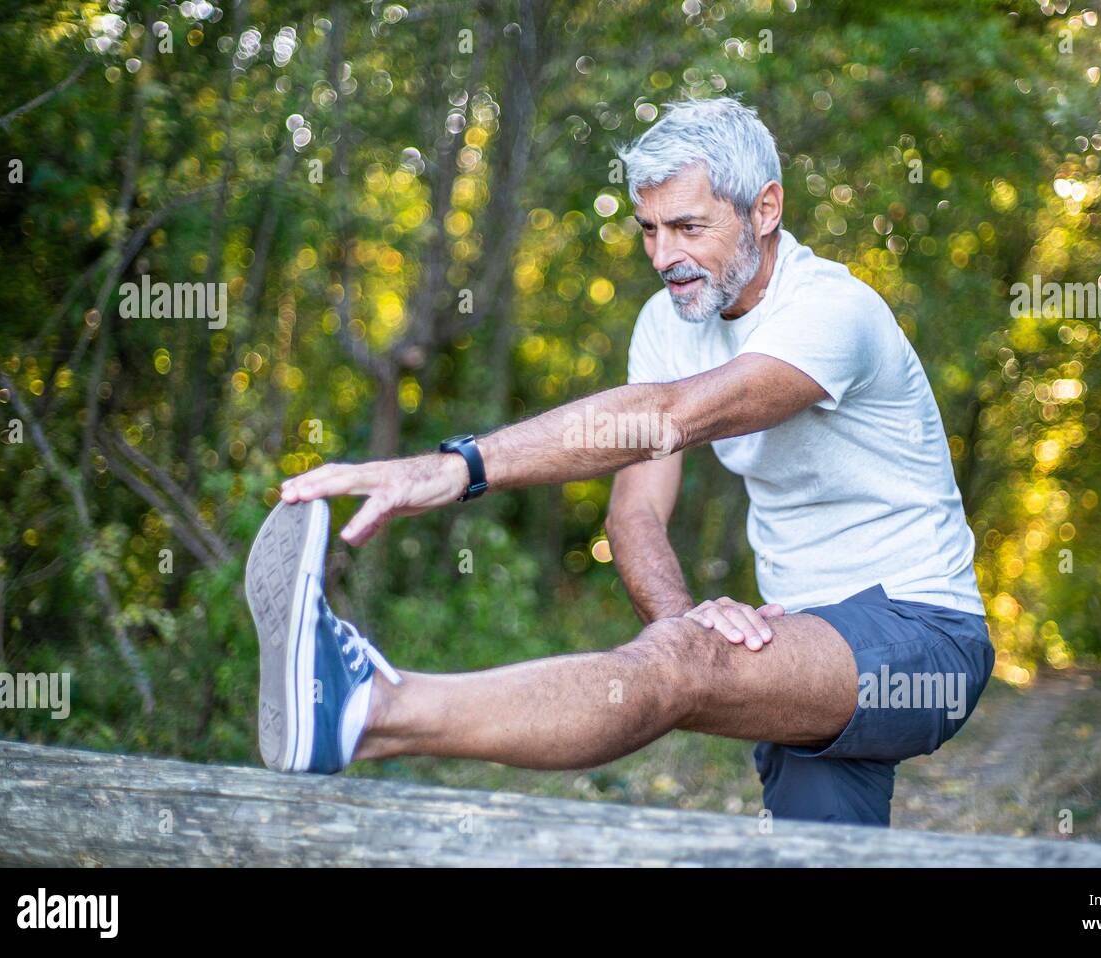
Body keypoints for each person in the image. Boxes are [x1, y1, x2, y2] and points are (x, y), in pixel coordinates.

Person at [244, 96, 994, 826]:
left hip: (925, 639)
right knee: (821, 856)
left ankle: (365, 708)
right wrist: (690, 625)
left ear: (765, 211)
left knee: (680, 664)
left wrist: (459, 465)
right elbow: (634, 510)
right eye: (648, 229)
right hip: (797, 644)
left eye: (689, 226)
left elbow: (664, 421)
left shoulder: (833, 311)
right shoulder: (667, 323)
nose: (665, 256)